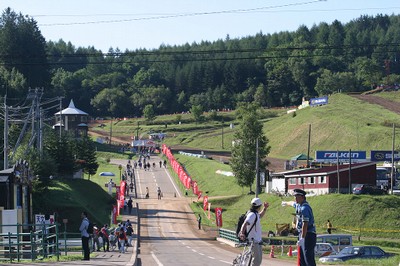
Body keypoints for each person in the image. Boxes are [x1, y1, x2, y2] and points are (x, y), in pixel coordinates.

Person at [282, 189, 316, 266]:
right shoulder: (299, 205)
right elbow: (292, 203)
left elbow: (305, 224)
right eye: (295, 197)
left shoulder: (304, 208)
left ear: (302, 197)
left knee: (308, 258)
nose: (295, 198)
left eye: (297, 197)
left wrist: (303, 238)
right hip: (302, 234)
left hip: (308, 234)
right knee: (301, 258)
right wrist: (286, 203)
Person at [238, 198, 269, 266]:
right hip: (254, 241)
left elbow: (260, 215)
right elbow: (245, 223)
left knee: (257, 260)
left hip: (256, 241)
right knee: (256, 261)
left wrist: (265, 208)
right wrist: (242, 233)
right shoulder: (252, 215)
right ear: (259, 206)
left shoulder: (255, 214)